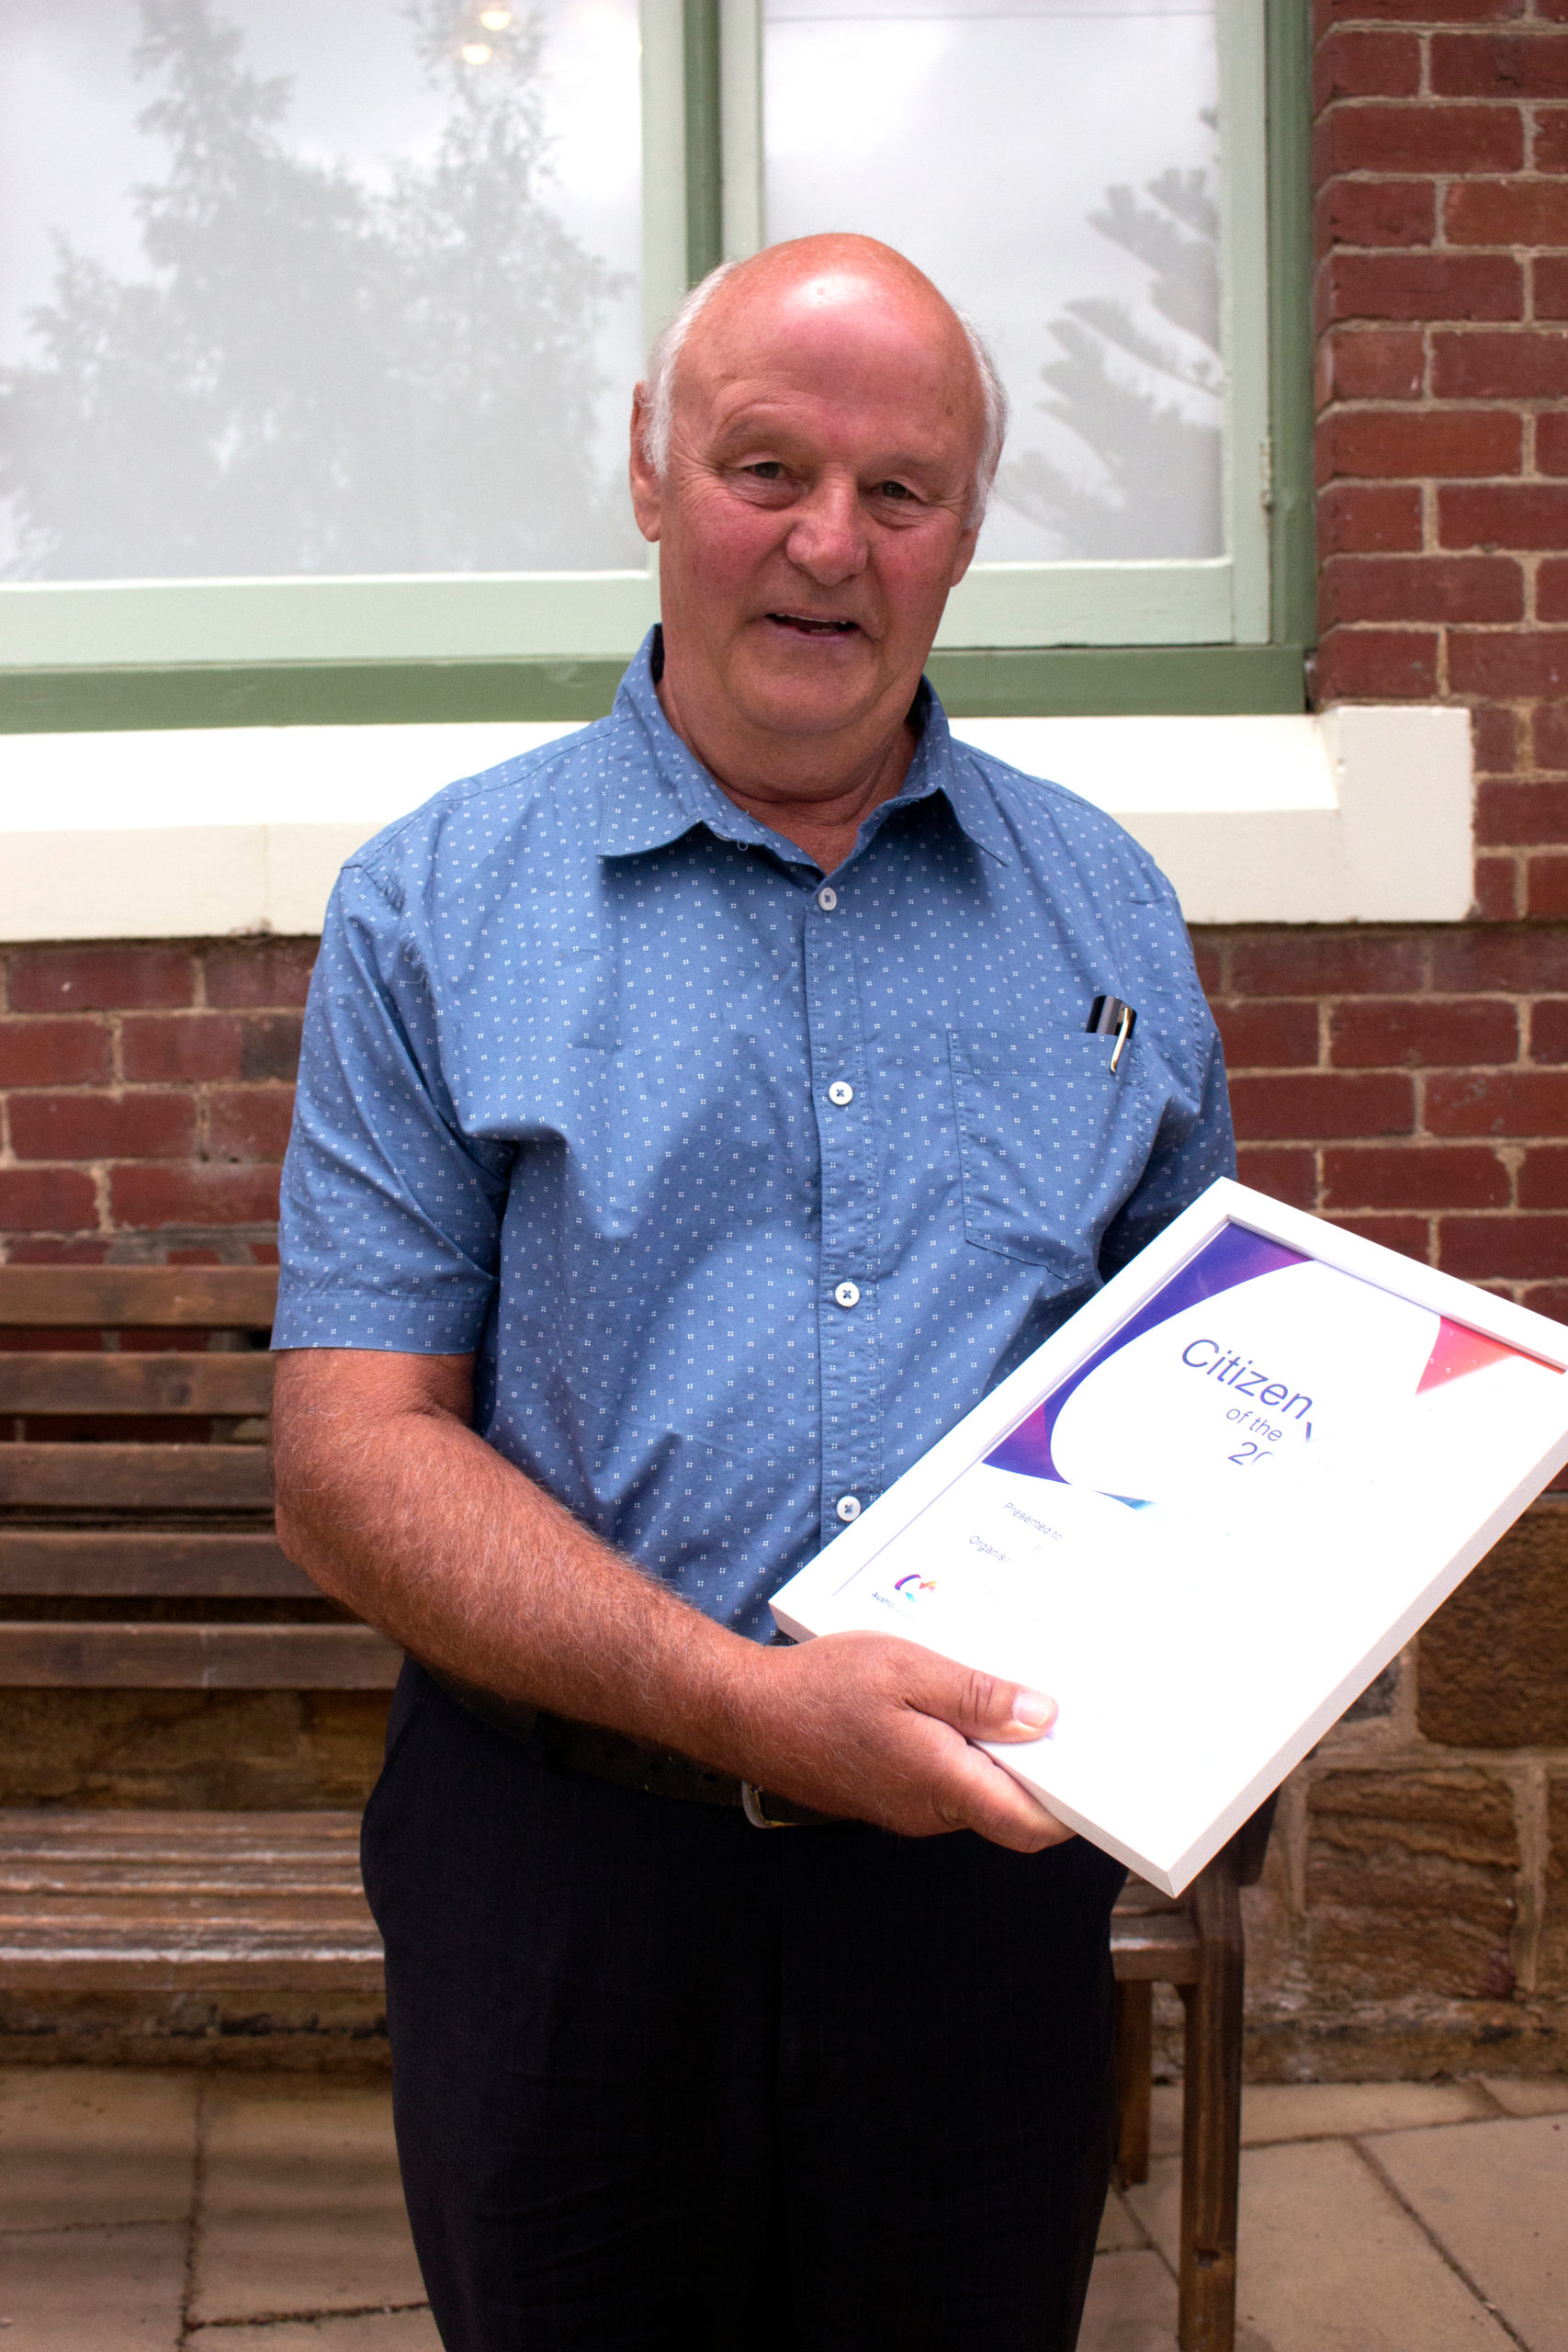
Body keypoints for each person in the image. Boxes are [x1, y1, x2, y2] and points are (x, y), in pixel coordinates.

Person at [271, 233, 1234, 2352]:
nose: (826, 543)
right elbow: (350, 1458)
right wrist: (743, 1704)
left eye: (898, 492)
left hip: (975, 1904)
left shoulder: (1108, 910)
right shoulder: (437, 907)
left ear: (965, 530)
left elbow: (1201, 1393)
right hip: (561, 1882)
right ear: (643, 468)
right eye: (763, 465)